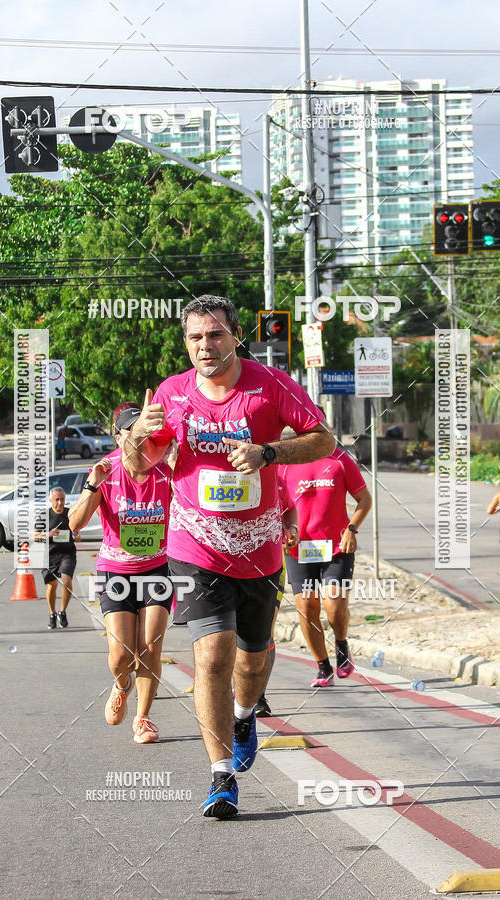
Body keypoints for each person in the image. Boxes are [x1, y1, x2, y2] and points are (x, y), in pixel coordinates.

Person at [129, 294, 335, 818]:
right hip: (194, 544)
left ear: (236, 335)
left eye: (215, 335)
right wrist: (136, 435)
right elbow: (136, 466)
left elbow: (322, 439)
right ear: (185, 342)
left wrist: (269, 453)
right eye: (195, 337)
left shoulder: (270, 386)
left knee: (253, 657)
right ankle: (221, 778)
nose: (205, 346)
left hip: (260, 546)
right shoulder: (172, 395)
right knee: (212, 656)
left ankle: (245, 716)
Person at [69, 401, 173, 744]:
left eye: (148, 434)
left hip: (158, 568)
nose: (142, 440)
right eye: (134, 433)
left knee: (150, 647)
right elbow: (74, 523)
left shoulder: (166, 471)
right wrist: (92, 486)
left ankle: (142, 719)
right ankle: (121, 683)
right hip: (116, 571)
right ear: (119, 439)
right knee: (120, 655)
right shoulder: (105, 470)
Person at [280, 446, 372, 687]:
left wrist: (351, 530)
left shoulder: (340, 461)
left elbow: (364, 499)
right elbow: (275, 504)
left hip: (337, 547)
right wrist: (285, 531)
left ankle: (341, 644)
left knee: (333, 606)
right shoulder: (285, 462)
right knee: (307, 608)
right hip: (299, 548)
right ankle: (323, 666)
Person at [254, 472, 299, 718]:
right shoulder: (220, 477)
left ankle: (258, 694)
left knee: (264, 633)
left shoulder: (276, 481)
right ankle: (228, 686)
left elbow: (290, 509)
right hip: (225, 568)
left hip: (270, 567)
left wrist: (291, 528)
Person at [34, 487, 80, 629]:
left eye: (62, 500)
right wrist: (48, 534)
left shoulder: (70, 513)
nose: (60, 503)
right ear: (50, 500)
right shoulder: (44, 515)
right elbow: (34, 536)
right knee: (51, 585)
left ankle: (63, 611)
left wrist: (76, 536)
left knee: (66, 580)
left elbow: (77, 532)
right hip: (51, 554)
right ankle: (52, 613)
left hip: (68, 553)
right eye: (57, 500)